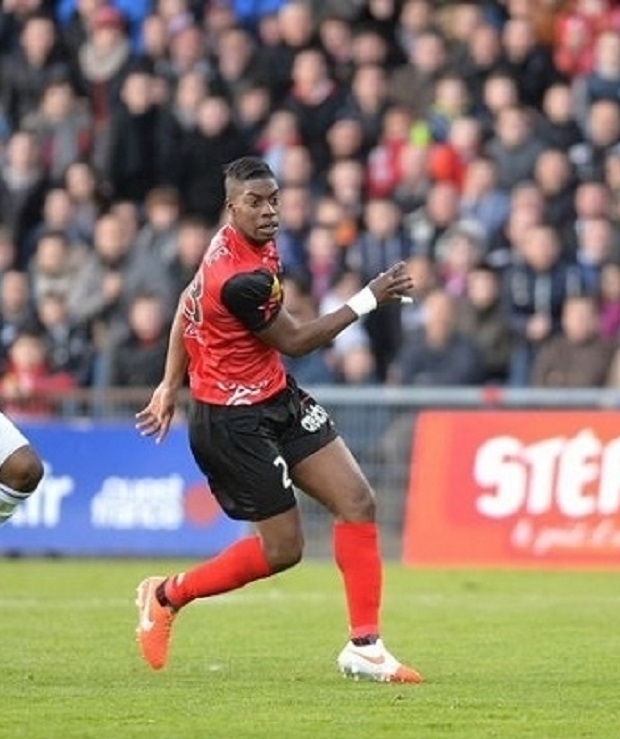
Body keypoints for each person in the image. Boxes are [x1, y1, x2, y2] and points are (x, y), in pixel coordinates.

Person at [134, 157, 422, 684]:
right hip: (232, 419)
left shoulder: (239, 242)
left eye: (273, 200)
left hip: (274, 394)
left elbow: (185, 303)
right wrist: (368, 298)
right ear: (231, 208)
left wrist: (167, 382)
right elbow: (295, 341)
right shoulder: (239, 275)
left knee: (357, 501)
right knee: (284, 549)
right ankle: (166, 594)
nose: (269, 212)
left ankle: (365, 645)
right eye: (255, 203)